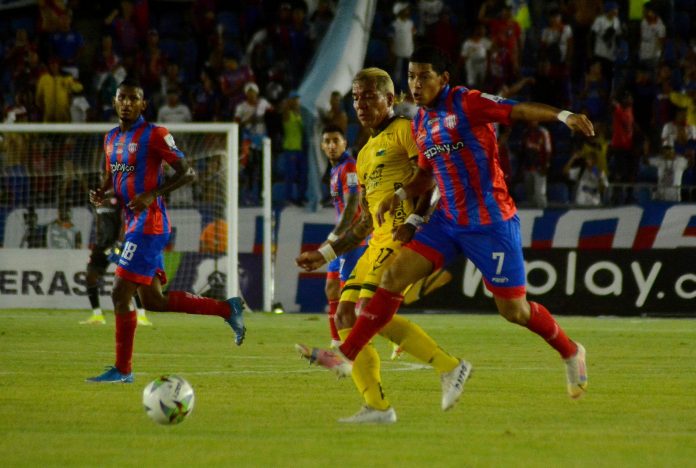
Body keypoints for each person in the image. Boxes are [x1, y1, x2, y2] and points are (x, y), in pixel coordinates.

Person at [297, 46, 594, 403]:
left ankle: (571, 351)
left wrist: (563, 116)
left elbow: (516, 110)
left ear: (444, 79)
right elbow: (425, 176)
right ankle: (346, 355)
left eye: (424, 76)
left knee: (515, 311)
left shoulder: (467, 103)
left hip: (490, 223)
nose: (415, 83)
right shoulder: (421, 121)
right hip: (448, 221)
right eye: (411, 76)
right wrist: (400, 198)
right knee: (392, 278)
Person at [296, 67, 469, 424]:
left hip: (401, 239)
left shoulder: (405, 130)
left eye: (369, 96)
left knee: (367, 311)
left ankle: (450, 366)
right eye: (356, 98)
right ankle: (377, 406)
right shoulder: (363, 154)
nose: (360, 104)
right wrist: (325, 253)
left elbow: (432, 180)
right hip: (375, 243)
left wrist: (413, 222)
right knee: (345, 315)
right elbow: (363, 221)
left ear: (389, 99)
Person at [86, 76, 246, 384]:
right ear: (115, 102)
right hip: (133, 224)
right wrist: (102, 192)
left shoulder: (155, 134)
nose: (127, 103)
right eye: (122, 98)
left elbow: (188, 173)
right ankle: (227, 308)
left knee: (120, 293)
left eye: (134, 98)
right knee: (153, 302)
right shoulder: (110, 138)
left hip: (150, 224)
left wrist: (152, 194)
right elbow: (112, 177)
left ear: (143, 104)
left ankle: (123, 370)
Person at [318, 125, 365, 347]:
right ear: (321, 146)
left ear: (345, 143)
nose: (331, 145)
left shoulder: (350, 168)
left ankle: (352, 345)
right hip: (341, 241)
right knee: (331, 288)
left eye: (336, 140)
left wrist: (334, 235)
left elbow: (352, 205)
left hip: (353, 239)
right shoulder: (335, 169)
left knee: (349, 296)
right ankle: (336, 341)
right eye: (327, 141)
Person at [80, 196, 152, 326]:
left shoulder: (121, 200)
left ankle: (141, 315)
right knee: (90, 276)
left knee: (131, 279)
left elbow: (125, 222)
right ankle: (97, 315)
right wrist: (97, 242)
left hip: (119, 246)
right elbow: (98, 222)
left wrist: (119, 243)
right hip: (102, 246)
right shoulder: (98, 199)